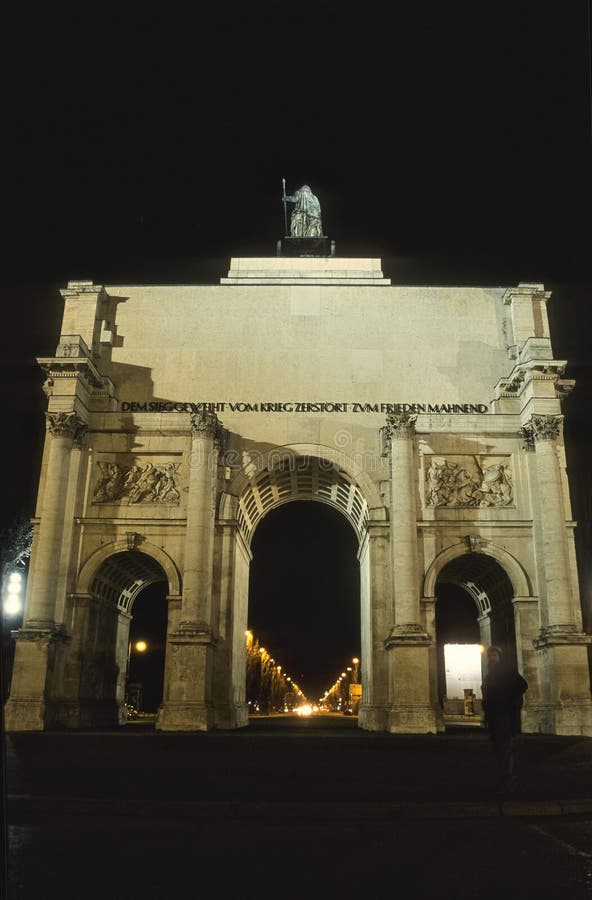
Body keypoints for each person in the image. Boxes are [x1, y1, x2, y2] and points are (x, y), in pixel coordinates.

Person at [481, 645, 528, 792]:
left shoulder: (506, 670)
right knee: (499, 746)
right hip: (494, 714)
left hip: (503, 714)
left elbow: (523, 685)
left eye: (494, 655)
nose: (491, 658)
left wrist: (507, 699)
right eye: (490, 656)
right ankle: (503, 776)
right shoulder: (491, 672)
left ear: (500, 656)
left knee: (504, 746)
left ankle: (507, 778)